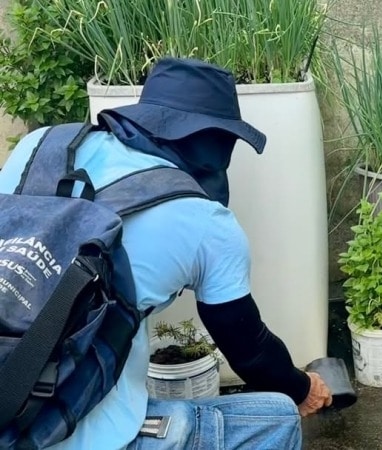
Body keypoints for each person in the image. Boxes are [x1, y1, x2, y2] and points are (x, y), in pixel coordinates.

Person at [0, 57, 332, 449]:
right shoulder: (206, 222)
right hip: (76, 428)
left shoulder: (40, 145)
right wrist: (302, 387)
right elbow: (251, 352)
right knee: (276, 416)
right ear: (217, 140)